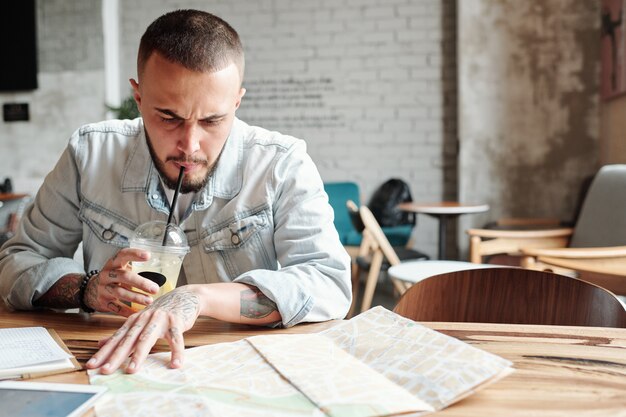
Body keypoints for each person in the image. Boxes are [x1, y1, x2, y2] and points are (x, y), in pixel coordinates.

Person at [0, 9, 351, 374]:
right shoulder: (89, 153)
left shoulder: (281, 163)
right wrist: (87, 289)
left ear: (236, 102)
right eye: (168, 117)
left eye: (213, 120)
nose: (190, 145)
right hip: (114, 363)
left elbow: (328, 284)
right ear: (137, 96)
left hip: (241, 371)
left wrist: (198, 298)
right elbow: (16, 263)